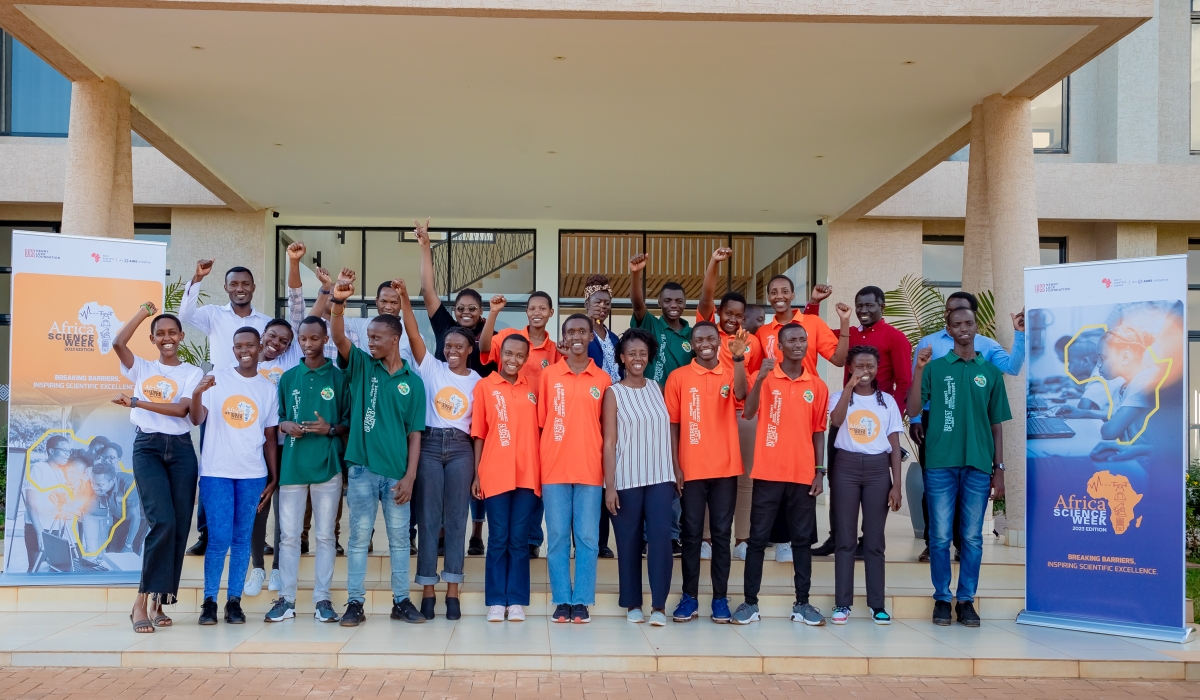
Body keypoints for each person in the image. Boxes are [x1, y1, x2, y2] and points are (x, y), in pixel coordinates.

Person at [179, 244, 307, 556]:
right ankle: (208, 534)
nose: (240, 289)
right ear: (226, 288)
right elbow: (184, 314)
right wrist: (196, 278)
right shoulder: (213, 316)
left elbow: (289, 333)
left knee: (255, 469)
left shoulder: (265, 322)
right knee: (212, 466)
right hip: (219, 402)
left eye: (245, 284)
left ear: (253, 287)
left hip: (254, 403)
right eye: (234, 284)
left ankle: (253, 536)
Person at [329, 272, 427, 626]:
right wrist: (338, 302)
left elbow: (416, 434)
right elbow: (338, 335)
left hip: (398, 475)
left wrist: (411, 476)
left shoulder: (413, 384)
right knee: (358, 538)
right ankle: (355, 603)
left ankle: (401, 602)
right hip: (361, 470)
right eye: (368, 336)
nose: (370, 342)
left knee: (400, 542)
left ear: (395, 338)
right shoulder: (361, 365)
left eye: (376, 337)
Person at [907, 306, 1010, 627]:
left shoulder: (990, 372)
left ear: (976, 328)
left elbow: (996, 425)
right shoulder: (935, 368)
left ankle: (966, 600)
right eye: (956, 324)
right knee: (938, 537)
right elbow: (912, 408)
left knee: (972, 538)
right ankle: (941, 598)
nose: (963, 328)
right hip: (940, 463)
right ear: (948, 330)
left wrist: (1000, 469)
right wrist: (920, 370)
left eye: (968, 324)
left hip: (978, 465)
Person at [909, 292, 1025, 562]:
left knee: (968, 488)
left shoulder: (985, 345)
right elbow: (917, 381)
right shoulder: (929, 342)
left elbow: (1012, 368)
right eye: (950, 313)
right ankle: (932, 541)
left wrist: (1019, 334)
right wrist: (915, 421)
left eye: (965, 316)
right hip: (935, 424)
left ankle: (962, 543)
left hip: (973, 424)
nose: (960, 323)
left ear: (974, 318)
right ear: (947, 319)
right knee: (934, 485)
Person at [111, 302, 204, 632]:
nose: (167, 338)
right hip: (148, 448)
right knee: (161, 521)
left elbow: (182, 411)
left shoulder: (192, 373)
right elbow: (118, 343)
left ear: (180, 336)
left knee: (179, 527)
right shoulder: (142, 368)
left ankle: (159, 601)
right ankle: (140, 602)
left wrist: (135, 401)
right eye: (160, 333)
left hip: (180, 451)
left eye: (172, 333)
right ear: (152, 339)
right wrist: (140, 314)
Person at [732, 323, 828, 626]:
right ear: (780, 346)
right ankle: (750, 603)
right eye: (792, 340)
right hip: (768, 472)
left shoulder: (817, 385)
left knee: (801, 541)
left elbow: (818, 433)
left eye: (803, 339)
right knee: (758, 540)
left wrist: (819, 472)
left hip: (802, 476)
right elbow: (747, 412)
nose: (798, 344)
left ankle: (802, 603)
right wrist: (760, 377)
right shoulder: (766, 377)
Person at [399, 279, 481, 621]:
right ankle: (428, 590)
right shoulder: (431, 368)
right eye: (448, 345)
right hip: (430, 445)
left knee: (456, 521)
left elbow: (479, 431)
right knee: (430, 519)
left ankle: (453, 591)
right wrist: (405, 298)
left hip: (461, 449)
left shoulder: (478, 381)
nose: (452, 350)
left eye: (458, 346)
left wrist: (478, 470)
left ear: (469, 349)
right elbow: (414, 331)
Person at [188, 327, 280, 626]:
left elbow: (269, 436)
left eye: (251, 345)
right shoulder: (217, 379)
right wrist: (198, 392)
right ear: (233, 347)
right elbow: (197, 418)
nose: (245, 350)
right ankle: (209, 602)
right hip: (217, 472)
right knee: (219, 539)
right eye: (239, 345)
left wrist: (273, 477)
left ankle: (234, 602)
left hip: (253, 474)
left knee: (241, 539)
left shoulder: (267, 388)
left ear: (260, 346)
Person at [812, 286, 912, 557]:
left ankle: (868, 541)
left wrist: (890, 418)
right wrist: (814, 304)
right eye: (860, 306)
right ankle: (838, 536)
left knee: (876, 486)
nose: (864, 311)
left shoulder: (896, 338)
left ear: (882, 306)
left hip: (878, 422)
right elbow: (813, 335)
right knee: (837, 476)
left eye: (870, 305)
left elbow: (904, 382)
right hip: (844, 417)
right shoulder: (851, 334)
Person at [264, 316, 350, 624]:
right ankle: (286, 600)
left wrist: (329, 429)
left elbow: (349, 425)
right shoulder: (288, 378)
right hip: (293, 466)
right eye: (303, 339)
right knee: (289, 536)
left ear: (325, 339)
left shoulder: (340, 378)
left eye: (314, 338)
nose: (308, 344)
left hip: (327, 466)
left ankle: (322, 599)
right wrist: (287, 425)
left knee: (325, 536)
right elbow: (279, 419)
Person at [413, 218, 490, 556]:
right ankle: (440, 536)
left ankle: (474, 533)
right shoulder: (446, 324)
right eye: (461, 308)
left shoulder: (487, 330)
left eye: (472, 309)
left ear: (481, 311)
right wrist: (426, 245)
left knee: (472, 478)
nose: (466, 313)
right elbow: (428, 290)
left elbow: (491, 349)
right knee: (436, 487)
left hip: (473, 410)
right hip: (441, 410)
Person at [665, 321, 748, 624]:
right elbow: (672, 425)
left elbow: (742, 394)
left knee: (722, 536)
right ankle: (689, 597)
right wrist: (675, 466)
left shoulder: (730, 371)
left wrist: (738, 360)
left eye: (711, 338)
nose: (705, 343)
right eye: (699, 339)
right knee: (690, 535)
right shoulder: (678, 377)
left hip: (725, 467)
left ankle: (720, 598)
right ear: (692, 343)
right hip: (691, 469)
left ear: (719, 341)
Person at [478, 291, 560, 558]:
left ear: (550, 313)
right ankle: (514, 541)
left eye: (542, 308)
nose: (537, 312)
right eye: (532, 308)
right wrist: (493, 313)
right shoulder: (510, 337)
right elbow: (484, 348)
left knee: (533, 485)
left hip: (537, 423)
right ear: (527, 311)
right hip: (507, 417)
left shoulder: (554, 349)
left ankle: (532, 539)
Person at [541, 314, 612, 624]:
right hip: (554, 468)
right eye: (571, 332)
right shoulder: (549, 376)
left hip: (590, 470)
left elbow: (606, 430)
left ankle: (581, 600)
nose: (578, 336)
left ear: (591, 337)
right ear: (564, 338)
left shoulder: (603, 379)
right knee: (556, 537)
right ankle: (561, 599)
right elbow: (542, 423)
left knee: (586, 538)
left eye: (583, 330)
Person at [602, 328, 675, 626]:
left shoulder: (658, 387)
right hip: (626, 479)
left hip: (659, 476)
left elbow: (670, 431)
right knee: (629, 542)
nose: (637, 358)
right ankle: (633, 603)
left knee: (661, 541)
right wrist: (610, 486)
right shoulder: (613, 392)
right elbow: (608, 442)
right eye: (631, 353)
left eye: (642, 353)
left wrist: (676, 469)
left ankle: (658, 606)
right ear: (621, 357)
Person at [827, 346, 904, 625]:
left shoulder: (888, 403)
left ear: (877, 368)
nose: (865, 371)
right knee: (845, 539)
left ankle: (877, 604)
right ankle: (842, 604)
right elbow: (836, 421)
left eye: (870, 366)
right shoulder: (838, 397)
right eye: (859, 366)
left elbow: (895, 445)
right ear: (849, 368)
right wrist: (849, 386)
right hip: (845, 468)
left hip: (877, 471)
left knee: (874, 540)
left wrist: (896, 485)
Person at [472, 333, 541, 622]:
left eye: (520, 355)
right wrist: (476, 474)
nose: (514, 360)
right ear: (500, 355)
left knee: (519, 539)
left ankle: (516, 601)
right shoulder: (485, 386)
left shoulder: (533, 388)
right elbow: (478, 433)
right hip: (495, 472)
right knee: (498, 537)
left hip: (528, 473)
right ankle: (496, 601)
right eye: (509, 354)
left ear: (527, 358)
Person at [629, 253, 692, 555]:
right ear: (660, 302)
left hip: (678, 414)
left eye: (678, 300)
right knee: (646, 472)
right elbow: (637, 305)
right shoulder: (651, 325)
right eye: (667, 300)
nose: (673, 305)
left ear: (684, 303)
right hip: (648, 409)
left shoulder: (691, 335)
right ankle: (645, 536)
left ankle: (670, 535)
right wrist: (636, 275)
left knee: (672, 474)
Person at [1059, 326, 1160, 442]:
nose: (1097, 365)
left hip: (1141, 458)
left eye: (1102, 358)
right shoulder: (1129, 383)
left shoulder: (1143, 382)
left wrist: (1100, 422)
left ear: (1125, 357)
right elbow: (1116, 415)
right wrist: (1083, 413)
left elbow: (1109, 431)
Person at [582, 274, 621, 558]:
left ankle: (603, 541)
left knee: (609, 476)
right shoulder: (581, 335)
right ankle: (584, 541)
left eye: (606, 303)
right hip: (588, 413)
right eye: (597, 302)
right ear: (587, 303)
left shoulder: (615, 338)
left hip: (614, 413)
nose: (602, 307)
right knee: (589, 479)